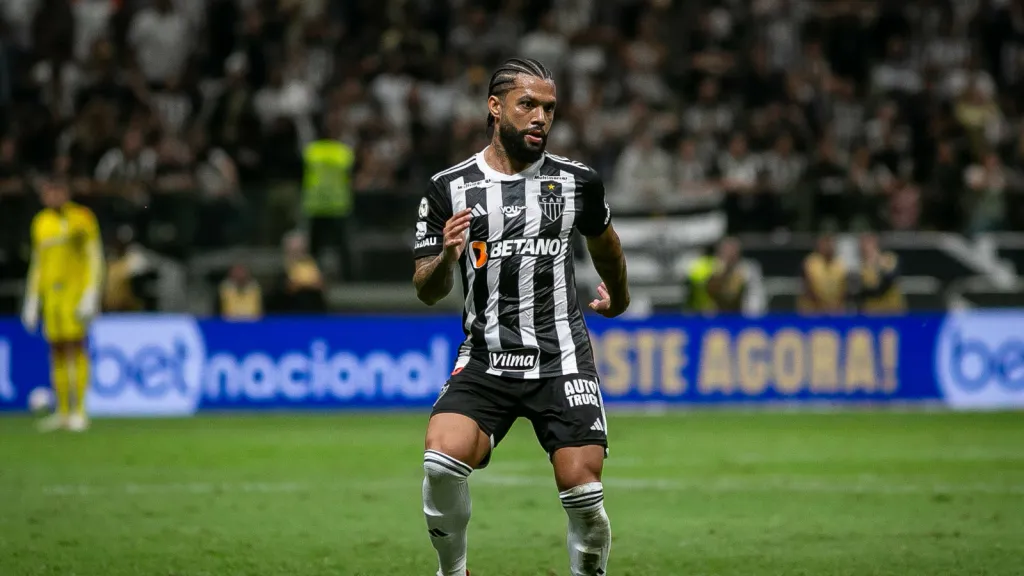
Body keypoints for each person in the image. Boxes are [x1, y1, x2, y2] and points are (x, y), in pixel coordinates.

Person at [412, 58, 629, 576]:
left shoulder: (577, 181)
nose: (540, 118)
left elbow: (605, 244)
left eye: (549, 108)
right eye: (527, 104)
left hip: (561, 358)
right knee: (440, 462)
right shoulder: (448, 188)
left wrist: (619, 298)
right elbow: (427, 289)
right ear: (495, 107)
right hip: (486, 357)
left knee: (584, 496)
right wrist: (446, 257)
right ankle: (453, 572)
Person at [21, 178, 104, 432]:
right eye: (49, 192)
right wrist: (32, 299)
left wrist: (91, 293)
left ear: (66, 193)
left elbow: (94, 256)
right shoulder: (41, 222)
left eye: (57, 191)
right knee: (56, 349)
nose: (53, 196)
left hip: (74, 294)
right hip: (51, 296)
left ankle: (80, 411)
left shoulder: (82, 218)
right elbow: (38, 262)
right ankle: (63, 412)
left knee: (76, 346)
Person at [854, 233, 905, 314]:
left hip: (893, 310)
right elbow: (862, 292)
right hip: (872, 312)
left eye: (868, 241)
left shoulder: (889, 258)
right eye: (862, 242)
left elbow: (889, 279)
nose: (865, 246)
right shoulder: (861, 268)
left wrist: (877, 263)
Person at [797, 233, 847, 315]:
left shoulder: (839, 264)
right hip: (813, 310)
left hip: (835, 310)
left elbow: (844, 288)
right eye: (825, 244)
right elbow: (807, 286)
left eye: (830, 244)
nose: (828, 247)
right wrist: (822, 306)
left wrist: (836, 305)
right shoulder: (810, 262)